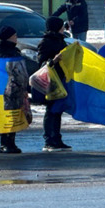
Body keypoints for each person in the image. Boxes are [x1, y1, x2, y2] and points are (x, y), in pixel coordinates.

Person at [37, 16, 72, 152]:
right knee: (51, 110)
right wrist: (54, 60)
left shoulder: (60, 40)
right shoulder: (46, 42)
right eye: (61, 27)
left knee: (57, 110)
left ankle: (57, 138)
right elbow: (41, 62)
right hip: (51, 81)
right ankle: (49, 139)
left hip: (61, 79)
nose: (63, 29)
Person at [0, 26, 25, 153]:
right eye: (14, 35)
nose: (16, 38)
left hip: (15, 86)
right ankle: (5, 143)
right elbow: (3, 65)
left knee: (14, 114)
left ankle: (11, 142)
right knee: (6, 115)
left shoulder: (13, 49)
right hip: (3, 87)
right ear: (9, 37)